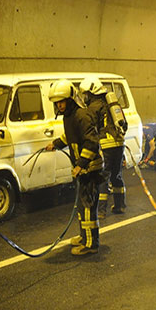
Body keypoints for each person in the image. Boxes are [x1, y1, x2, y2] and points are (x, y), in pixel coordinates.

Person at [44, 79, 104, 255]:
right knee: (81, 205)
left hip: (90, 169)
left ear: (70, 100)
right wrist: (55, 143)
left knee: (87, 207)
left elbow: (92, 143)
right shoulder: (70, 117)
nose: (59, 106)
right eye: (57, 103)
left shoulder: (81, 115)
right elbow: (71, 137)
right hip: (81, 169)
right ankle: (84, 236)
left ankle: (91, 244)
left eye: (62, 102)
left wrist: (80, 165)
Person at [79, 77, 126, 219]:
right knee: (116, 175)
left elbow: (89, 127)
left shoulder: (93, 107)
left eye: (86, 94)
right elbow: (124, 124)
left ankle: (101, 211)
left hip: (105, 145)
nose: (85, 97)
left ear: (92, 92)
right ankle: (120, 205)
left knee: (103, 177)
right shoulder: (111, 104)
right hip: (119, 144)